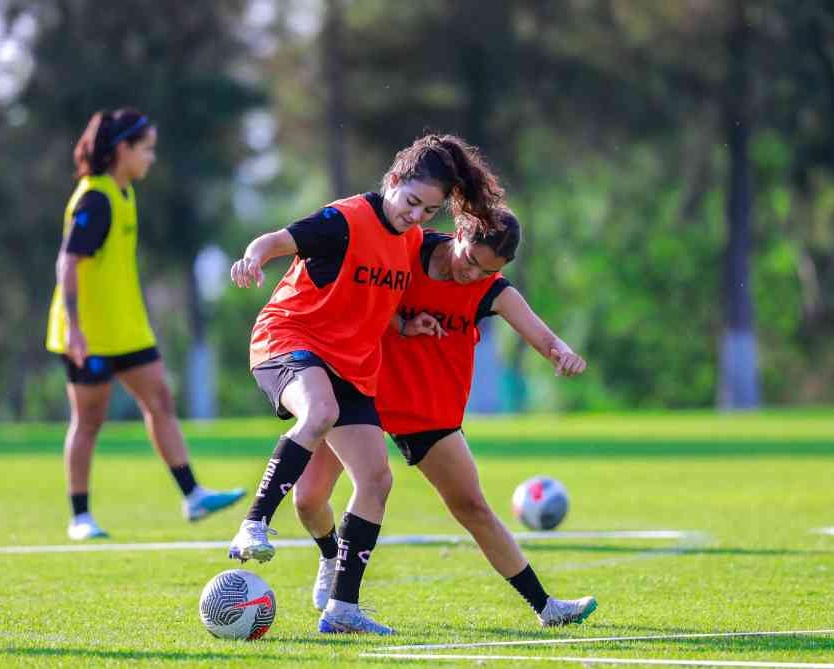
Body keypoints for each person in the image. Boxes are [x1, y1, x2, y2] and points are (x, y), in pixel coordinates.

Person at [228, 134, 504, 635]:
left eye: (430, 210)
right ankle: (254, 524)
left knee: (373, 481)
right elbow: (276, 241)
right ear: (392, 182)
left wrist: (405, 326)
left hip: (351, 364)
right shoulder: (344, 219)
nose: (418, 216)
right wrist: (253, 257)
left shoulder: (414, 239)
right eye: (412, 202)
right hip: (288, 339)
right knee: (319, 412)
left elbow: (379, 292)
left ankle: (343, 609)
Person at [292, 205, 598, 628]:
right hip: (361, 391)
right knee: (308, 500)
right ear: (459, 233)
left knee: (472, 506)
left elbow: (541, 334)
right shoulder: (405, 251)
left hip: (426, 407)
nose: (472, 275)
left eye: (486, 270)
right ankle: (332, 555)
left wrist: (561, 353)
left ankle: (547, 608)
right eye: (470, 260)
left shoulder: (493, 289)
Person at [46, 108, 244, 541]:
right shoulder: (95, 198)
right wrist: (74, 328)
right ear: (123, 149)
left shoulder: (124, 193)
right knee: (89, 421)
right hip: (91, 334)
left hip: (128, 328)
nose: (151, 158)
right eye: (147, 149)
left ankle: (192, 494)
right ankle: (80, 517)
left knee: (160, 401)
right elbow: (68, 261)